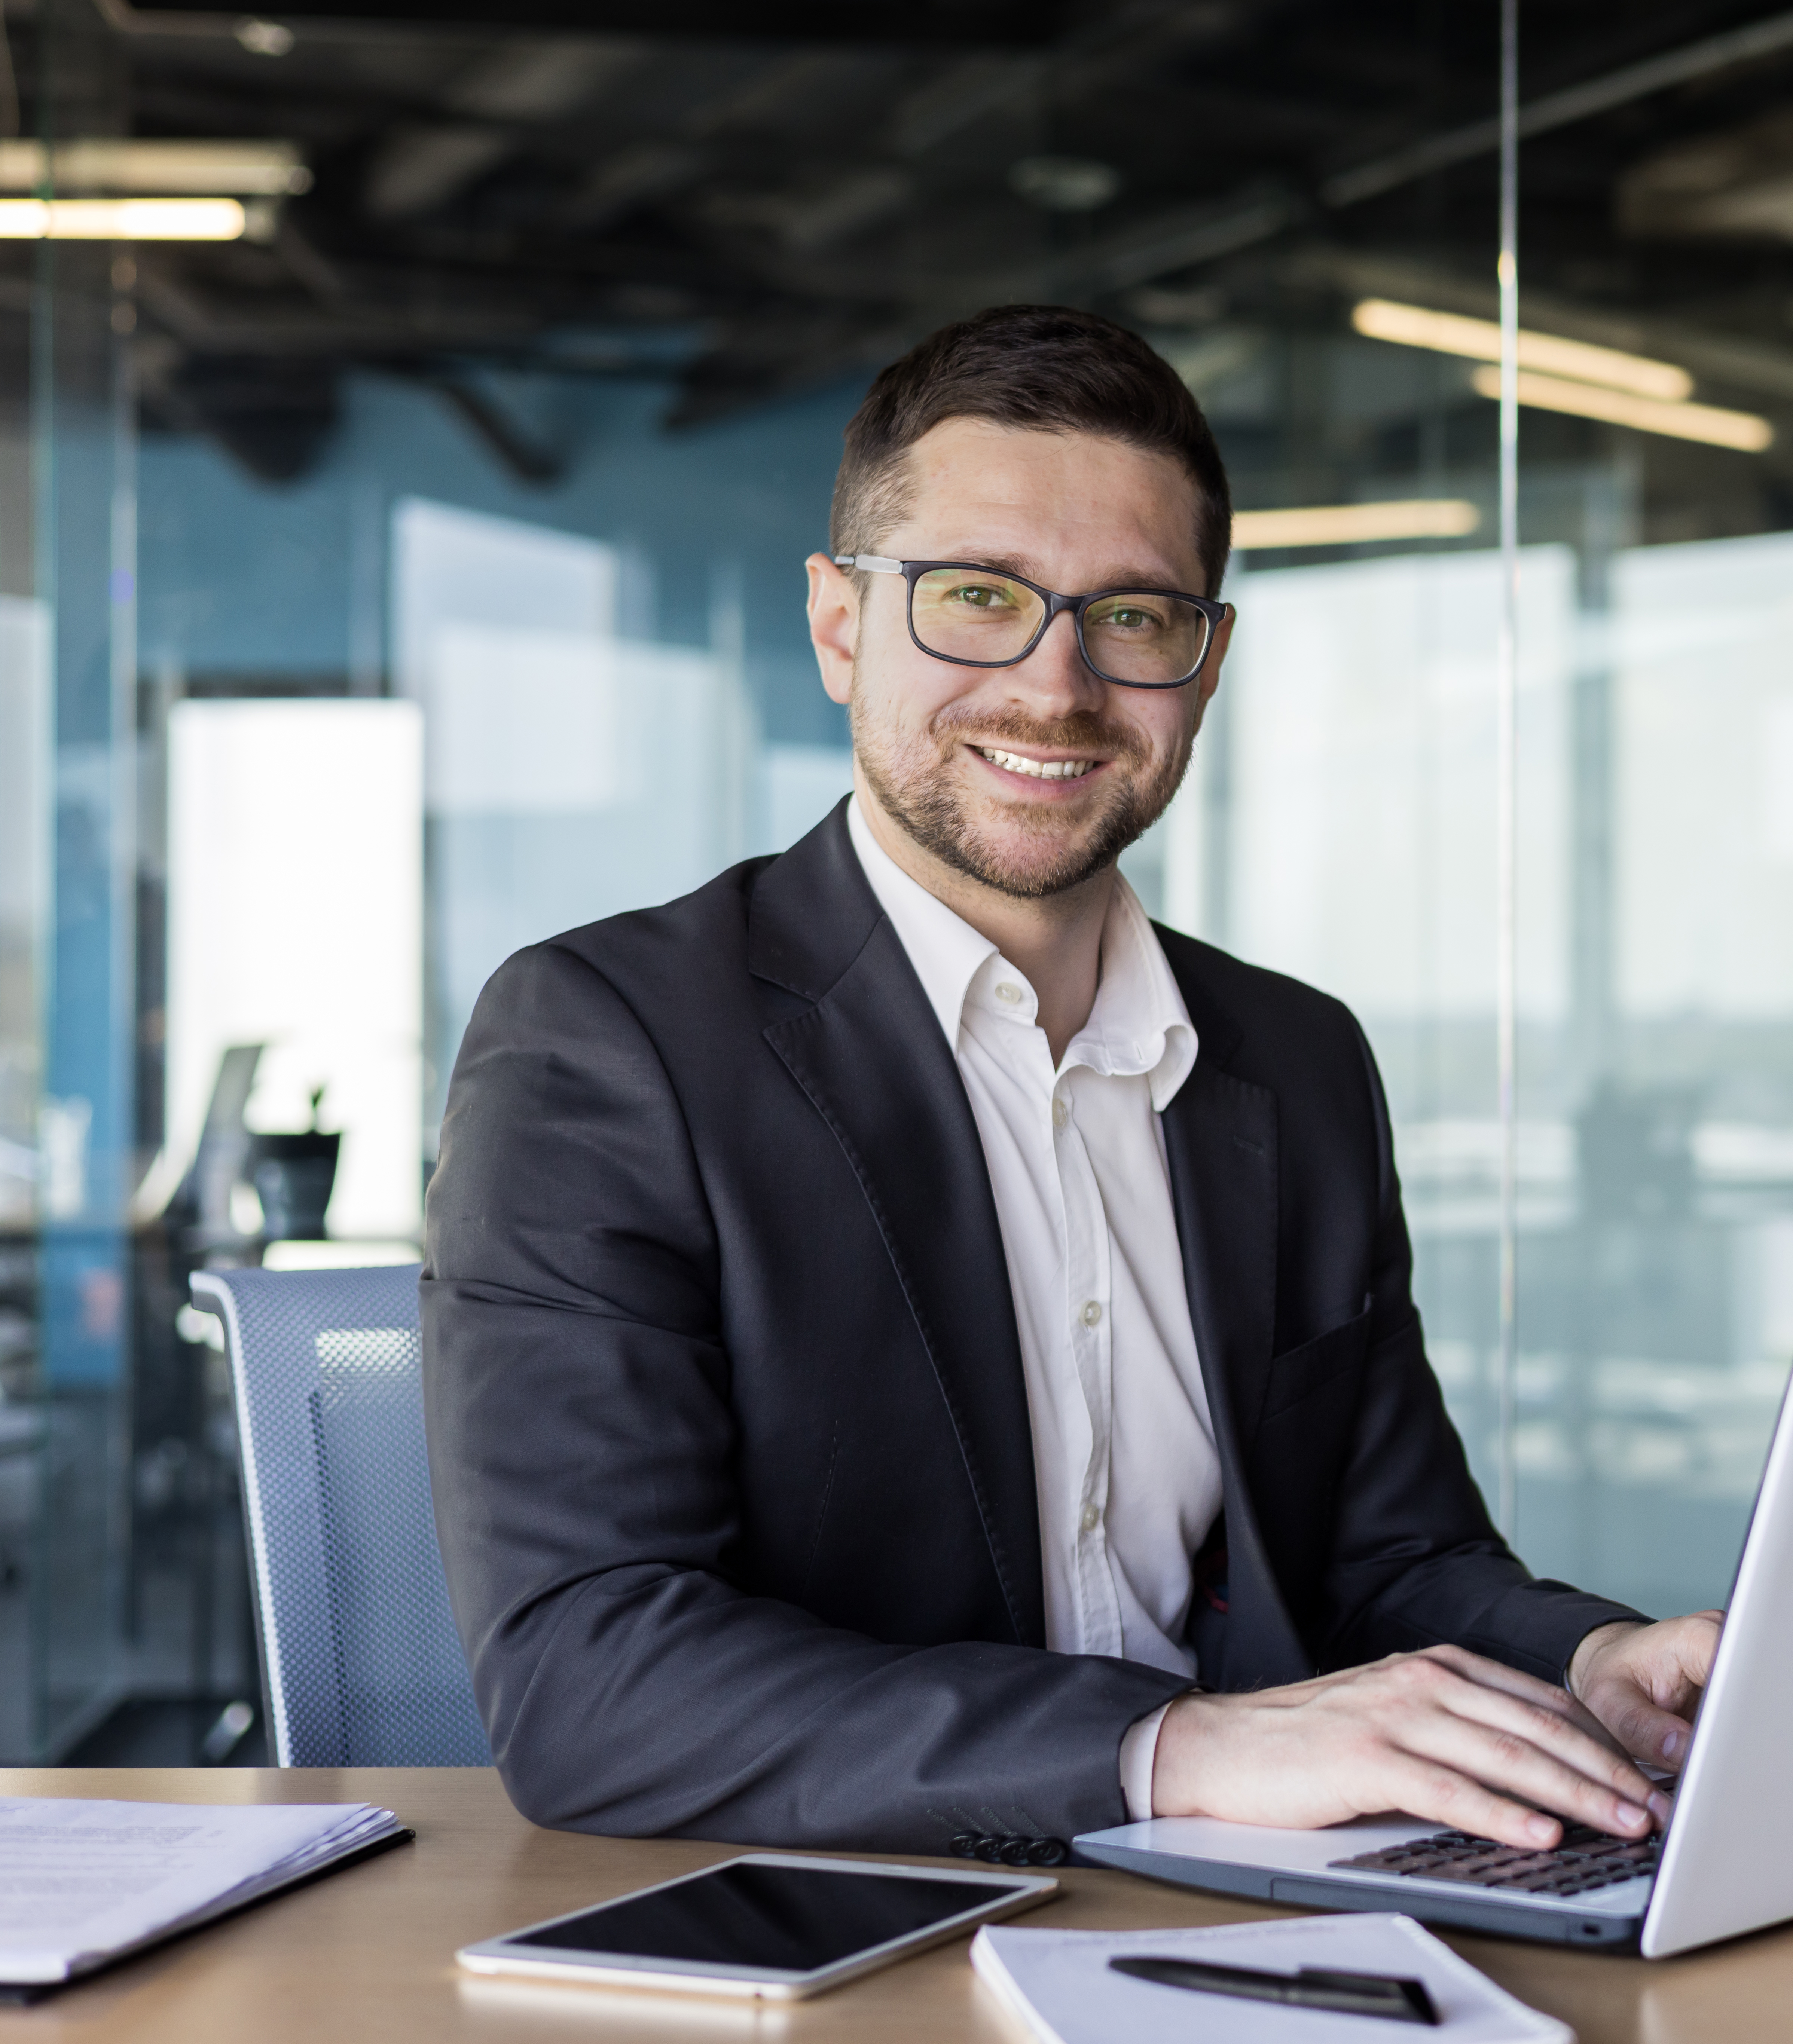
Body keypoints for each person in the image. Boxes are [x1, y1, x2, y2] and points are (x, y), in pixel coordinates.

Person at [424, 303, 1719, 1861]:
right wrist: (1168, 1748)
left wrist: (1586, 1664)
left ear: (1206, 659)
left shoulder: (1294, 1063)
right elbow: (593, 1680)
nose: (1056, 685)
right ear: (840, 625)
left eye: (1133, 615)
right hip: (836, 1924)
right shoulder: (608, 1042)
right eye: (977, 596)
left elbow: (1393, 1555)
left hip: (1258, 1920)